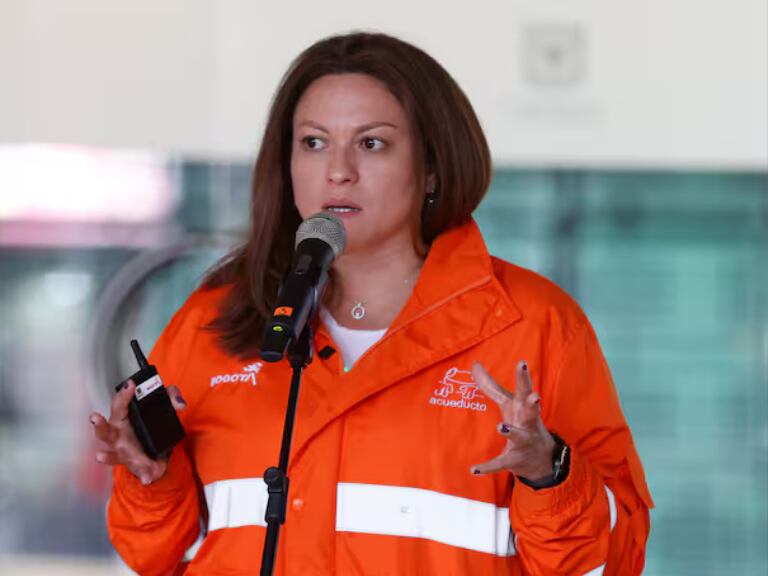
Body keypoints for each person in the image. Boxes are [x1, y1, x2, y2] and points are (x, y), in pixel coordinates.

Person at [90, 32, 654, 575]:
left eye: (372, 143)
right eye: (313, 142)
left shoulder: (535, 325)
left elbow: (612, 563)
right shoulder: (213, 321)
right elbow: (155, 556)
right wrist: (153, 479)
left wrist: (548, 473)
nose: (339, 170)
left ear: (432, 166)